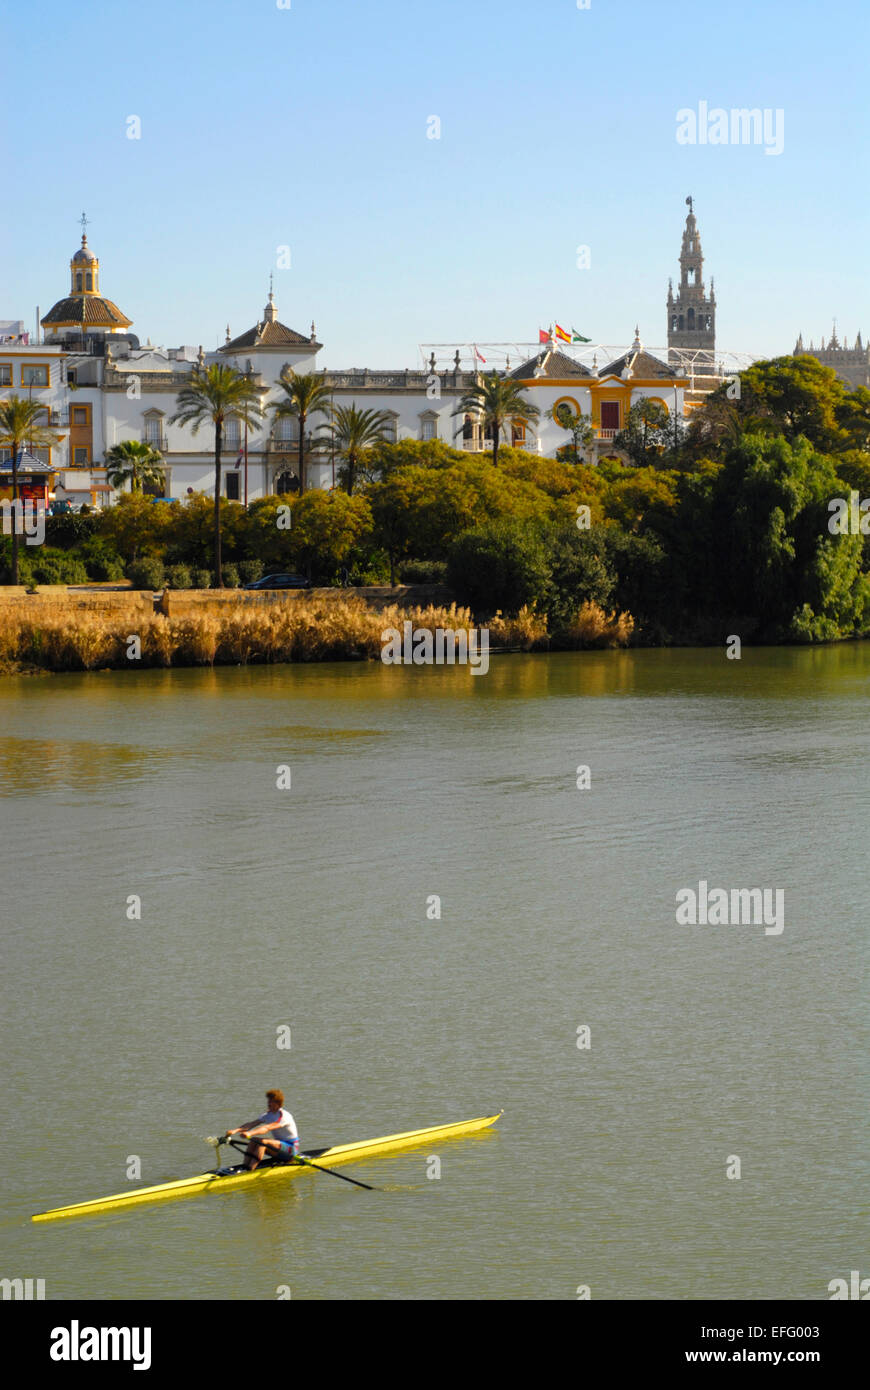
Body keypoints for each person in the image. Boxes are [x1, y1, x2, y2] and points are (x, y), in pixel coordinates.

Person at [221, 1089, 300, 1172]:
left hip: (291, 1149)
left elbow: (267, 1128)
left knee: (262, 1142)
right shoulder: (267, 1115)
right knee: (254, 1140)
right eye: (268, 1100)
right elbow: (251, 1124)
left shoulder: (284, 1116)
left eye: (271, 1101)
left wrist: (250, 1133)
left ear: (278, 1103)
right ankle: (245, 1166)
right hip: (279, 1148)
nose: (268, 1103)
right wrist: (235, 1130)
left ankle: (251, 1169)